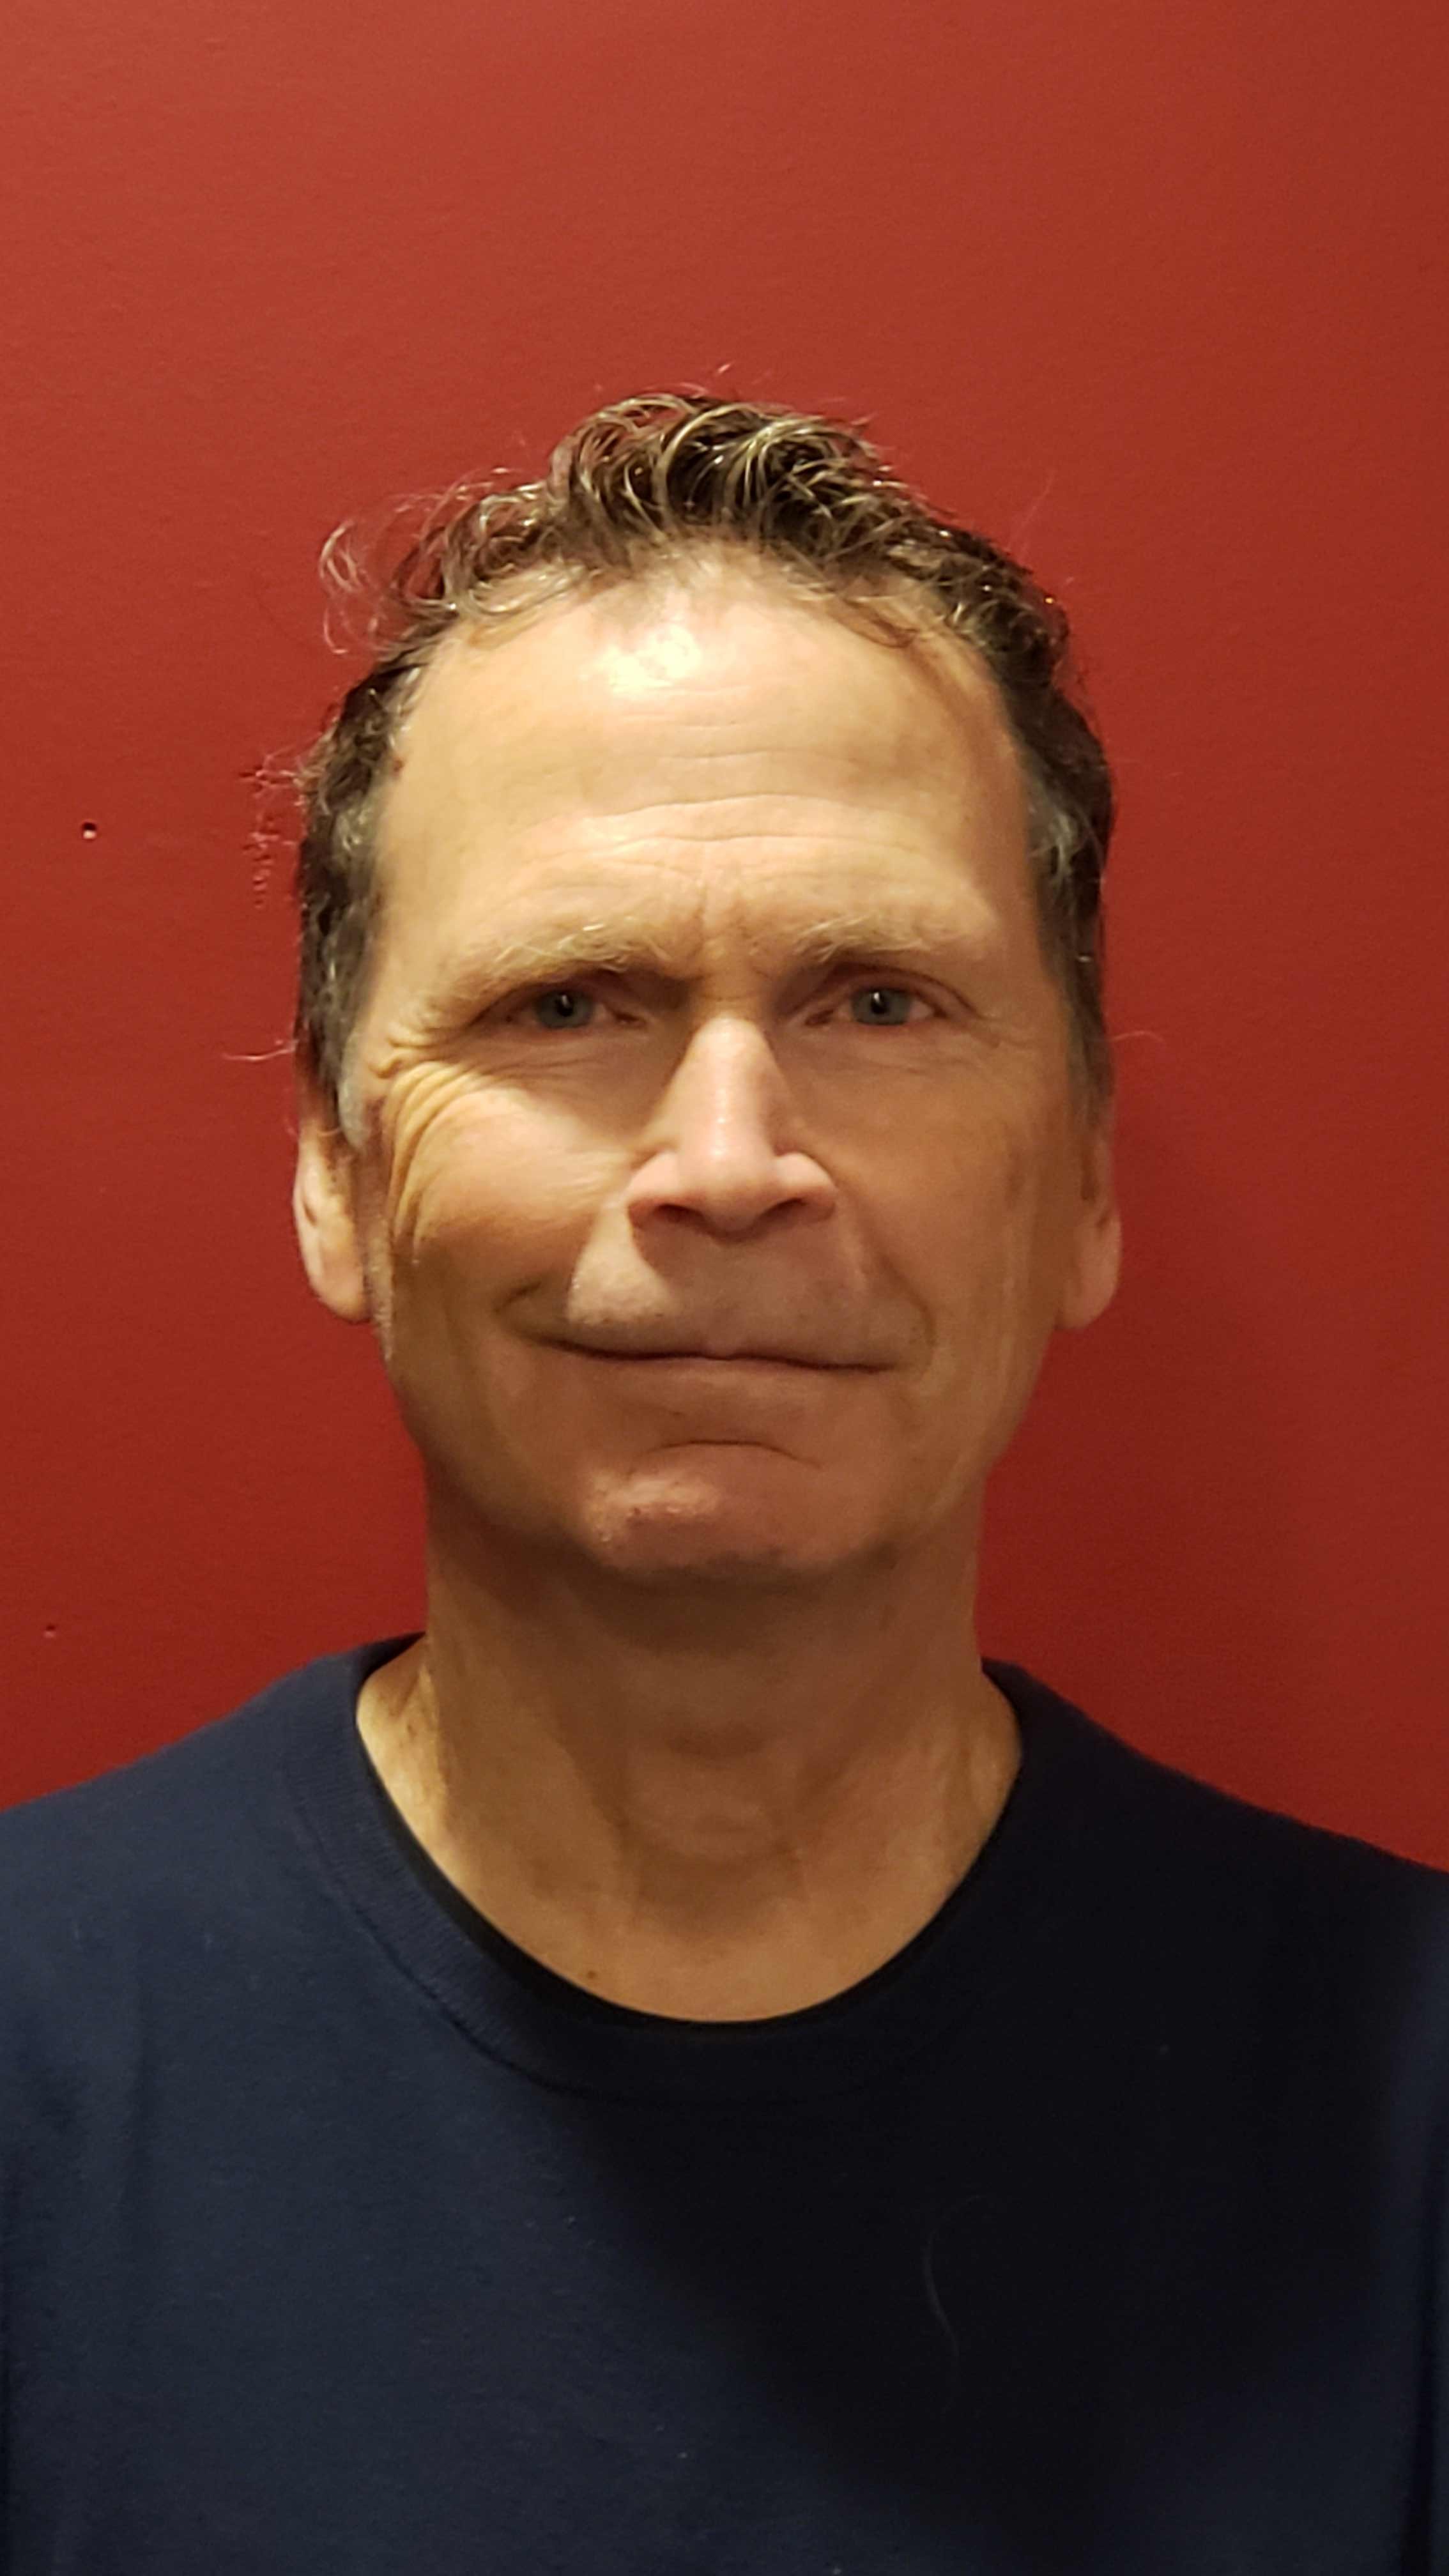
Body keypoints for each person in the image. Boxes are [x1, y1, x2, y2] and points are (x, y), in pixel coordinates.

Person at [3, 395, 1445, 2573]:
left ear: (1078, 1183)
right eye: (568, 1001)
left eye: (878, 998)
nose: (729, 1164)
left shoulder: (1407, 2117)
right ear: (331, 1171)